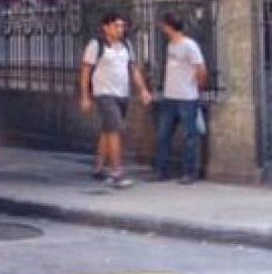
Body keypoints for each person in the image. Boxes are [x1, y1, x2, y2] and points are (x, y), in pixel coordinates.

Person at [79, 13, 153, 187]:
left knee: (107, 130)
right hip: (104, 93)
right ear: (106, 27)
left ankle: (98, 167)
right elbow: (86, 72)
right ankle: (116, 172)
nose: (120, 29)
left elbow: (133, 69)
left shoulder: (126, 45)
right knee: (115, 130)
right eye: (116, 26)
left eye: (122, 26)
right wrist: (85, 96)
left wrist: (143, 89)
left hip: (122, 93)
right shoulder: (96, 45)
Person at [153, 13, 208, 184]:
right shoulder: (171, 45)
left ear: (170, 26)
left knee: (189, 136)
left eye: (164, 25)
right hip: (170, 96)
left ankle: (189, 172)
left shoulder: (189, 45)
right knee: (163, 134)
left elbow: (201, 70)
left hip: (187, 97)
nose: (162, 28)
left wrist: (197, 88)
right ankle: (162, 169)